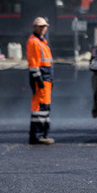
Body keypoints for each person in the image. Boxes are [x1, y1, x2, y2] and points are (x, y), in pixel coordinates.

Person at [27, 17, 54, 145]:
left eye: (44, 27)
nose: (43, 29)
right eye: (40, 27)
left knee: (44, 108)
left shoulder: (42, 42)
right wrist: (38, 79)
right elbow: (33, 63)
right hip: (41, 80)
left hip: (46, 80)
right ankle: (37, 136)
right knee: (39, 108)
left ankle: (42, 134)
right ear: (35, 28)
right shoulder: (34, 42)